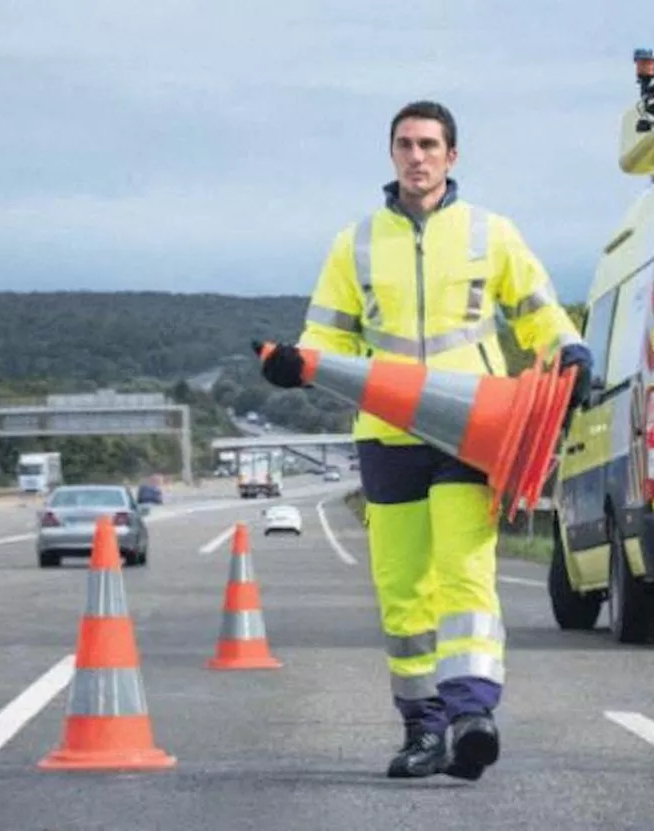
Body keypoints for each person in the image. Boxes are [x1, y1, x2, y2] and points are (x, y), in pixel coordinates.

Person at [255, 100, 591, 782]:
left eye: (429, 144)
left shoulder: (489, 233)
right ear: (392, 154)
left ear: (452, 156)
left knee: (464, 571)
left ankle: (472, 715)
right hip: (386, 432)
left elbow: (537, 309)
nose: (417, 156)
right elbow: (329, 334)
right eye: (406, 144)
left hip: (472, 425)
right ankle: (423, 730)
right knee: (404, 590)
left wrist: (570, 351)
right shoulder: (355, 243)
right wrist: (297, 364)